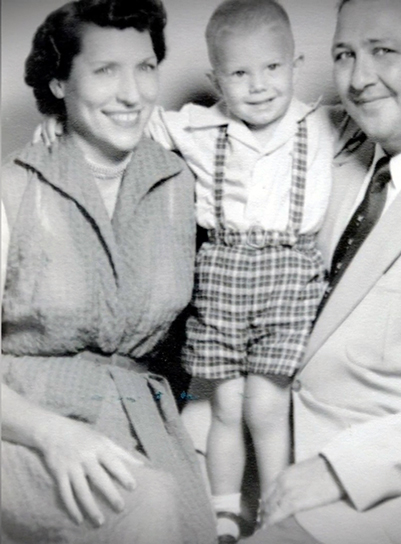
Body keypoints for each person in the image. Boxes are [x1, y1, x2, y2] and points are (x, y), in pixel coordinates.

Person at [245, 0, 401, 543]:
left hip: (395, 481)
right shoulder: (337, 142)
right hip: (285, 425)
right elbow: (232, 127)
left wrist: (336, 470)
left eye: (383, 51)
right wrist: (74, 137)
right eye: (344, 55)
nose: (359, 79)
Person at [1, 1, 216, 543]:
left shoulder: (179, 181)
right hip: (22, 425)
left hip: (143, 422)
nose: (133, 94)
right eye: (105, 70)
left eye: (145, 68)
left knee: (187, 520)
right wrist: (54, 436)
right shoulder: (14, 188)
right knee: (147, 503)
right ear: (57, 83)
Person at [145, 1, 345, 541]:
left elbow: (392, 128)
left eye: (272, 68)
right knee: (226, 404)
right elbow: (128, 118)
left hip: (288, 280)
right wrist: (57, 124)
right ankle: (225, 510)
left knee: (266, 402)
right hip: (223, 277)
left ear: (296, 64)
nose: (258, 86)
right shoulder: (198, 126)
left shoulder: (321, 123)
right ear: (215, 79)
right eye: (239, 73)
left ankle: (279, 505)